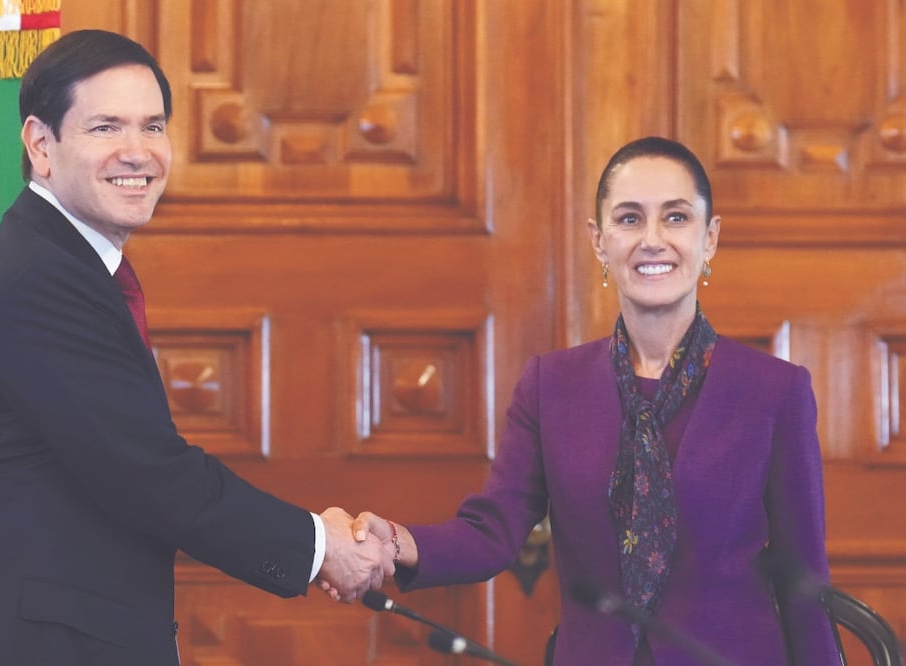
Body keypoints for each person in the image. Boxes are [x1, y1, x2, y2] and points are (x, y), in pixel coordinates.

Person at [0, 30, 391, 666]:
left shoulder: (59, 263)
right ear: (40, 144)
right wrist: (319, 546)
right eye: (106, 128)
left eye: (153, 126)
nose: (138, 153)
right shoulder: (36, 280)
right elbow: (149, 473)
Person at [343, 137, 840, 665]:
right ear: (599, 240)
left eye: (675, 218)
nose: (653, 240)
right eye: (629, 219)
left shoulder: (775, 390)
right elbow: (492, 532)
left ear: (710, 237)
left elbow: (803, 581)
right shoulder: (550, 384)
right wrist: (392, 541)